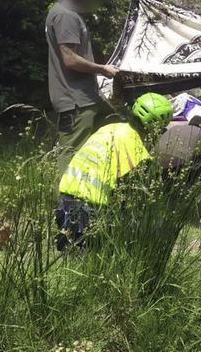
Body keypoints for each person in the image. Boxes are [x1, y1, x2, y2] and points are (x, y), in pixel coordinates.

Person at [55, 92, 172, 250]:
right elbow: (133, 199)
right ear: (156, 129)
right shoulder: (137, 150)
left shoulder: (109, 127)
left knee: (72, 251)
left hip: (64, 198)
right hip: (90, 208)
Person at [46, 0, 120, 175]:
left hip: (86, 98)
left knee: (116, 127)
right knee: (70, 155)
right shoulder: (65, 15)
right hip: (76, 102)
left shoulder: (67, 13)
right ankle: (64, 208)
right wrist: (102, 69)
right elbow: (70, 59)